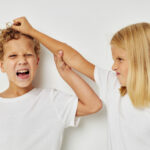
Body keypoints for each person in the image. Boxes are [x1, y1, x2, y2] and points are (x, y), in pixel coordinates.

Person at [12, 17, 150, 150]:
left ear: (141, 60)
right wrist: (31, 32)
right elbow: (72, 57)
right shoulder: (113, 84)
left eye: (120, 59)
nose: (113, 66)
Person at [0, 20, 102, 150]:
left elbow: (94, 105)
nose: (22, 61)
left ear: (37, 61)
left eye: (28, 55)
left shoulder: (51, 100)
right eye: (13, 56)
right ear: (2, 65)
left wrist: (65, 72)